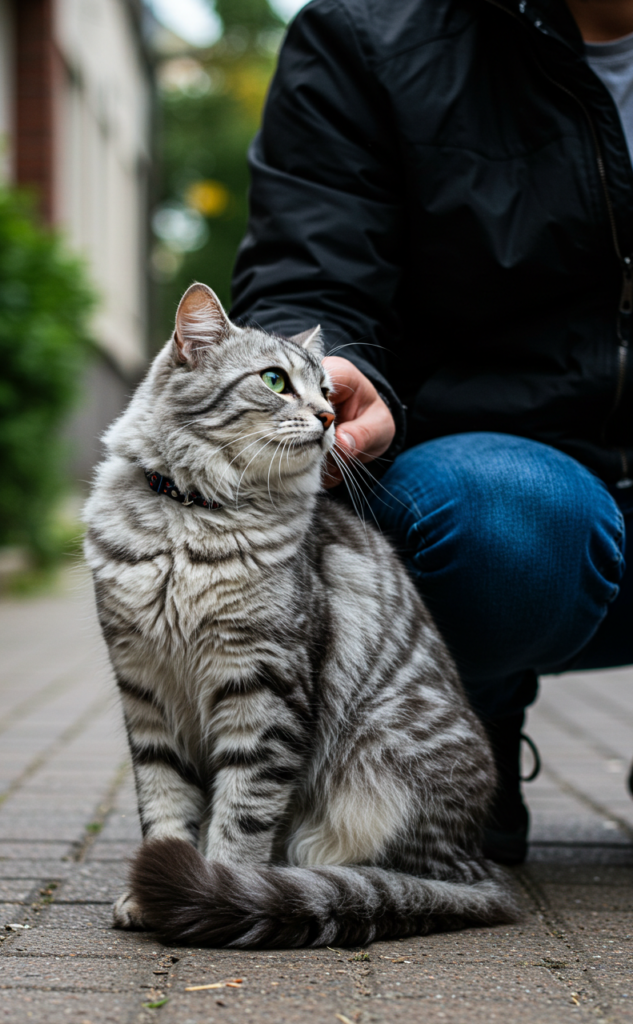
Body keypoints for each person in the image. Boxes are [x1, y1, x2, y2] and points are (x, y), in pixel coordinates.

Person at [229, 0, 633, 864]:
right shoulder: (366, 38)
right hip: (497, 483)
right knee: (502, 517)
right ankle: (454, 740)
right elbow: (311, 267)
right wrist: (328, 369)